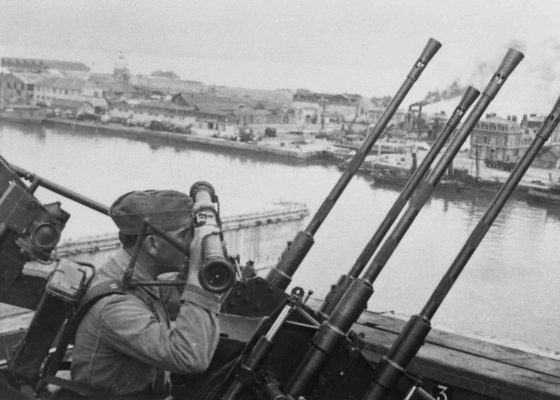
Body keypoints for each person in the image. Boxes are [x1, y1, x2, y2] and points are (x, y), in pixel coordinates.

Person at [69, 190, 221, 398]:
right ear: (152, 244)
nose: (190, 244)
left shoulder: (136, 274)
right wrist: (197, 273)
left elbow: (178, 302)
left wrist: (197, 270)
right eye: (186, 235)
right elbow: (191, 356)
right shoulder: (116, 306)